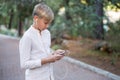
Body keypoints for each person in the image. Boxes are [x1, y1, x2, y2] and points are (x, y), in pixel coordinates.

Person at [19, 3, 66, 80]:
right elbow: (24, 64)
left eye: (49, 23)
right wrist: (46, 60)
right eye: (45, 23)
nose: (47, 26)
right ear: (36, 18)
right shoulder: (27, 37)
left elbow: (44, 52)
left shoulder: (47, 33)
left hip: (49, 77)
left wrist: (54, 53)